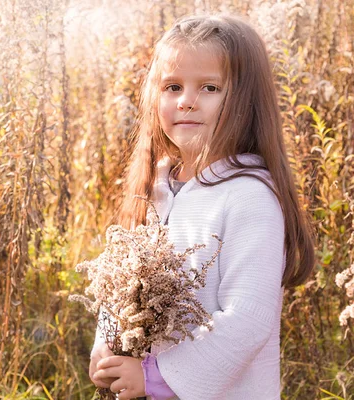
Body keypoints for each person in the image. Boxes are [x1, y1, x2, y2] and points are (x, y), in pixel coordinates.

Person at [88, 14, 315, 400]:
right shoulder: (157, 189)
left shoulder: (248, 197)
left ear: (246, 100)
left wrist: (157, 378)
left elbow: (248, 319)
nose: (186, 102)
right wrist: (107, 345)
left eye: (209, 87)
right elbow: (125, 284)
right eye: (172, 86)